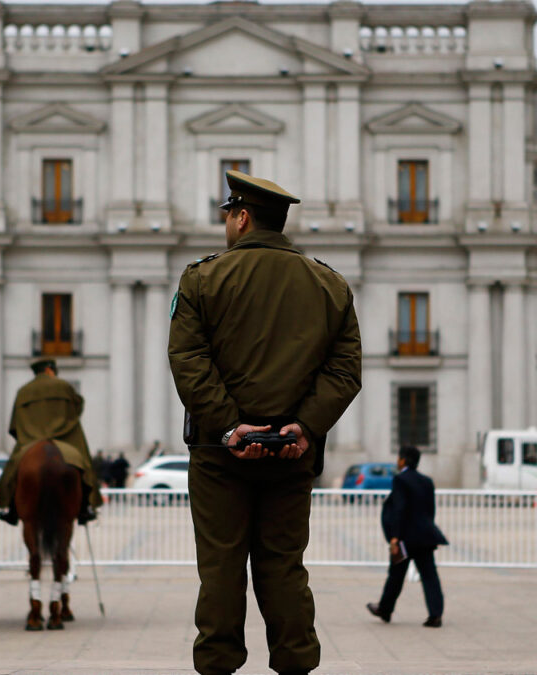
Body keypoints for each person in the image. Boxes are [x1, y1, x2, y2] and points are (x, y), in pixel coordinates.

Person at [169, 170, 362, 675]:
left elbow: (188, 360)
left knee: (220, 570)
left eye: (228, 216)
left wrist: (230, 428)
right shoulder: (330, 282)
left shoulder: (202, 278)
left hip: (218, 456)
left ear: (243, 217)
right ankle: (297, 663)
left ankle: (218, 665)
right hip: (293, 454)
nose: (226, 225)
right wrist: (304, 426)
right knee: (284, 567)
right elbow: (345, 370)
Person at [0, 356, 102, 526]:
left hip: (31, 440)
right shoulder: (64, 386)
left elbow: (14, 425)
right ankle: (86, 507)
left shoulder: (23, 391)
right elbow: (76, 409)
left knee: (12, 472)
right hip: (64, 440)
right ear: (49, 369)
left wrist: (28, 436)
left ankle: (11, 509)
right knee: (84, 467)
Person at [367, 445, 448, 628]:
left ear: (403, 460)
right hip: (424, 538)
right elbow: (430, 511)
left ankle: (385, 609)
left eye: (398, 457)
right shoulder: (427, 481)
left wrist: (395, 537)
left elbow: (399, 509)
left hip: (404, 539)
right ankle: (436, 615)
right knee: (430, 576)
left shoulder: (400, 480)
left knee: (395, 575)